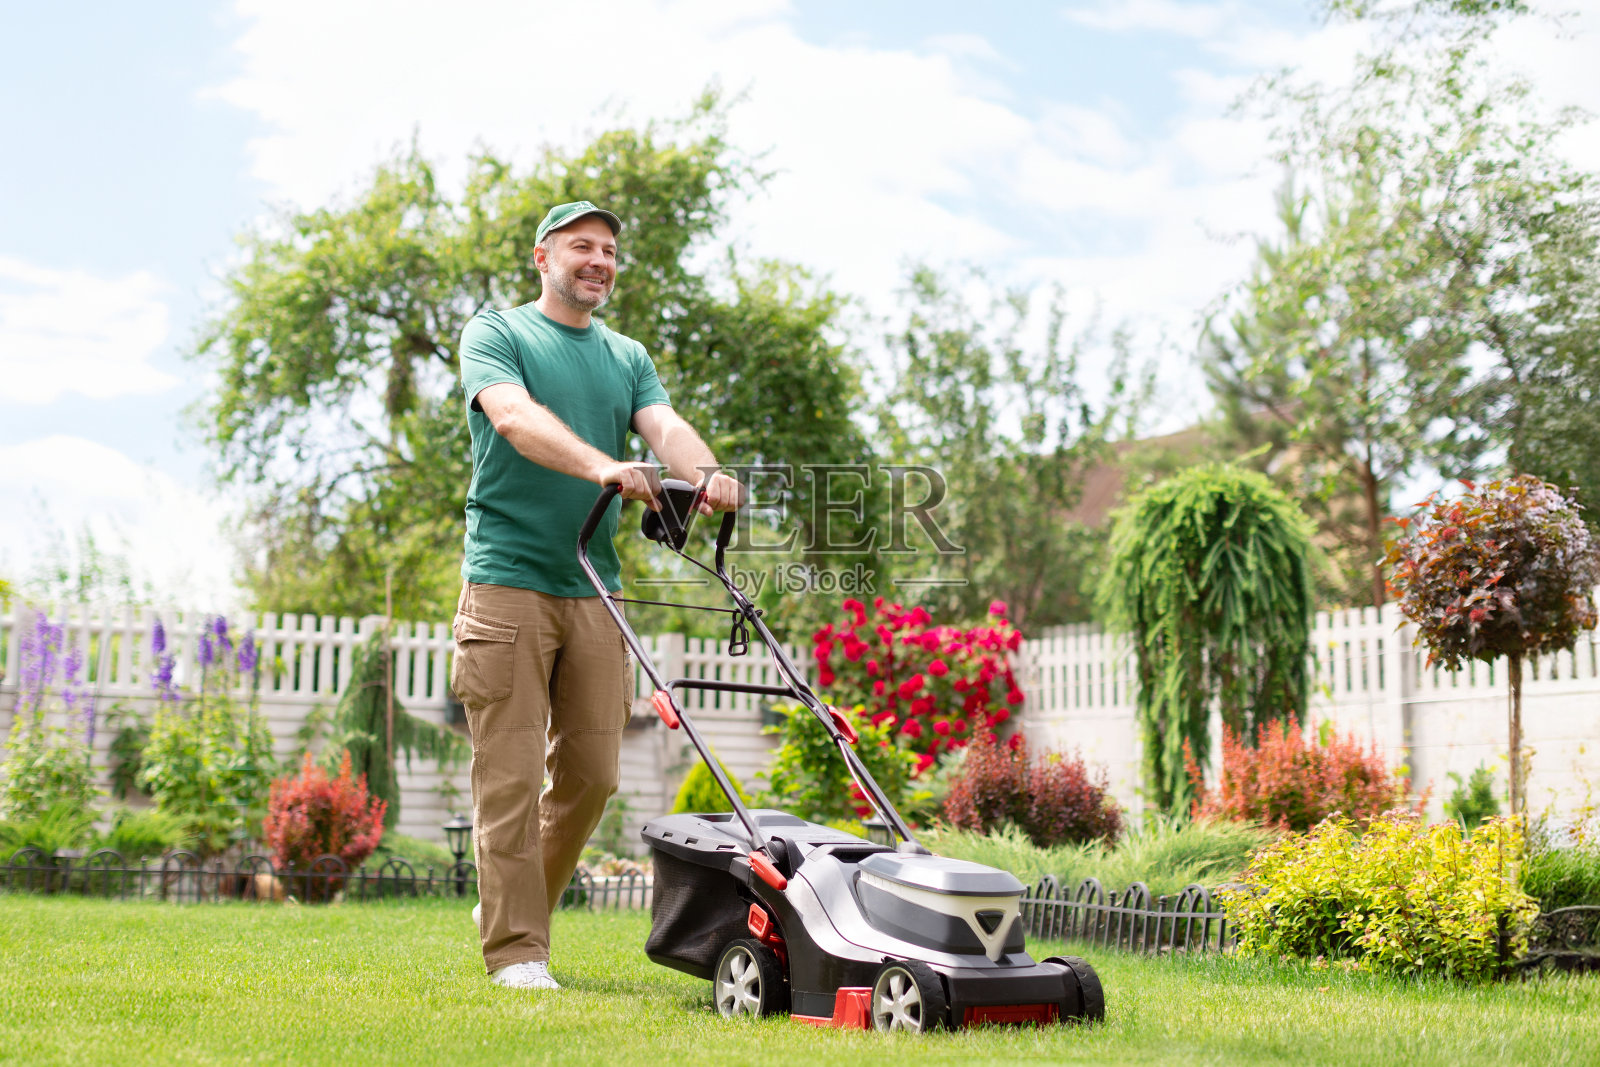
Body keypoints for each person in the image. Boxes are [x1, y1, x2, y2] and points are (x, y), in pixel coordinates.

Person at [451, 200, 741, 990]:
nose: (599, 261)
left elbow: (663, 424)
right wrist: (601, 467)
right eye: (582, 246)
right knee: (508, 775)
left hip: (593, 589)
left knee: (593, 773)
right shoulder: (498, 333)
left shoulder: (626, 354)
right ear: (543, 257)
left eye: (609, 250)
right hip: (507, 582)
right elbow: (511, 418)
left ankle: (513, 910)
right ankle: (516, 950)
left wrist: (706, 471)